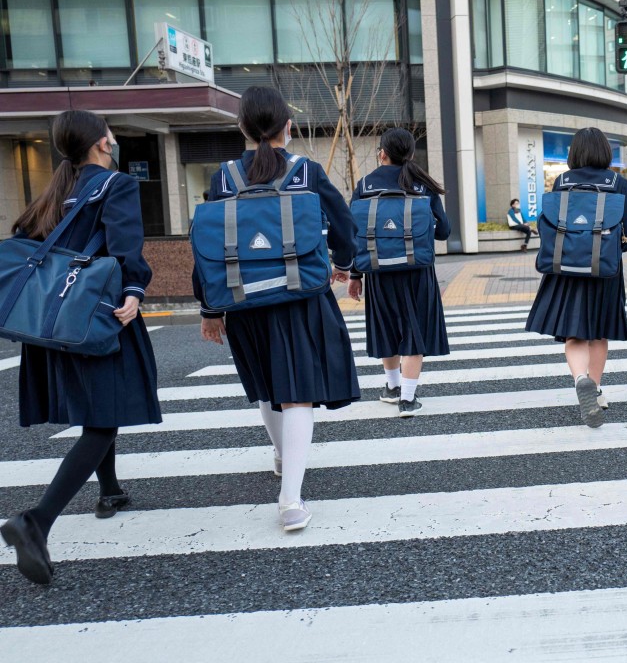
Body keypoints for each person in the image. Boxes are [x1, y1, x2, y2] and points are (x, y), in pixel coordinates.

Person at [1, 110, 161, 585]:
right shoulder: (115, 185)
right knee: (104, 416)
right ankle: (37, 521)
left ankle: (109, 490)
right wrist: (135, 291)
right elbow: (126, 245)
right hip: (96, 316)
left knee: (96, 409)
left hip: (51, 325)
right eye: (110, 133)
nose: (114, 139)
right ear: (101, 142)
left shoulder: (54, 192)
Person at [195, 86, 361, 532]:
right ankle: (290, 500)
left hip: (243, 300)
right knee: (298, 392)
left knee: (268, 387)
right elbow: (344, 223)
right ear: (288, 126)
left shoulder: (224, 177)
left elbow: (207, 248)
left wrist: (211, 310)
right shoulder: (305, 171)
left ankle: (284, 457)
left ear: (242, 128)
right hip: (302, 296)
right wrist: (344, 266)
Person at [525, 127, 627, 428]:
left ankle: (580, 380)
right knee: (599, 332)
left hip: (567, 267)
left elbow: (550, 223)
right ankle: (596, 390)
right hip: (605, 270)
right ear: (604, 151)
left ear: (573, 153)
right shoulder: (619, 183)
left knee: (575, 333)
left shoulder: (562, 181)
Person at [347, 127, 450, 417]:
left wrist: (355, 275)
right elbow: (444, 231)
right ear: (411, 154)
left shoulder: (365, 185)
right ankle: (408, 398)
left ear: (382, 153)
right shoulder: (422, 184)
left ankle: (392, 388)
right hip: (418, 272)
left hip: (378, 272)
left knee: (386, 328)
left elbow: (356, 234)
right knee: (413, 329)